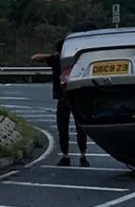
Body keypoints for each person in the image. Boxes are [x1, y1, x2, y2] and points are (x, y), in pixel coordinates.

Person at [31, 22, 98, 167]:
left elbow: (35, 58)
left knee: (72, 127)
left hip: (72, 97)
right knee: (70, 127)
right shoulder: (63, 59)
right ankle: (76, 155)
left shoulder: (68, 59)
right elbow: (35, 57)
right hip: (71, 96)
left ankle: (77, 155)